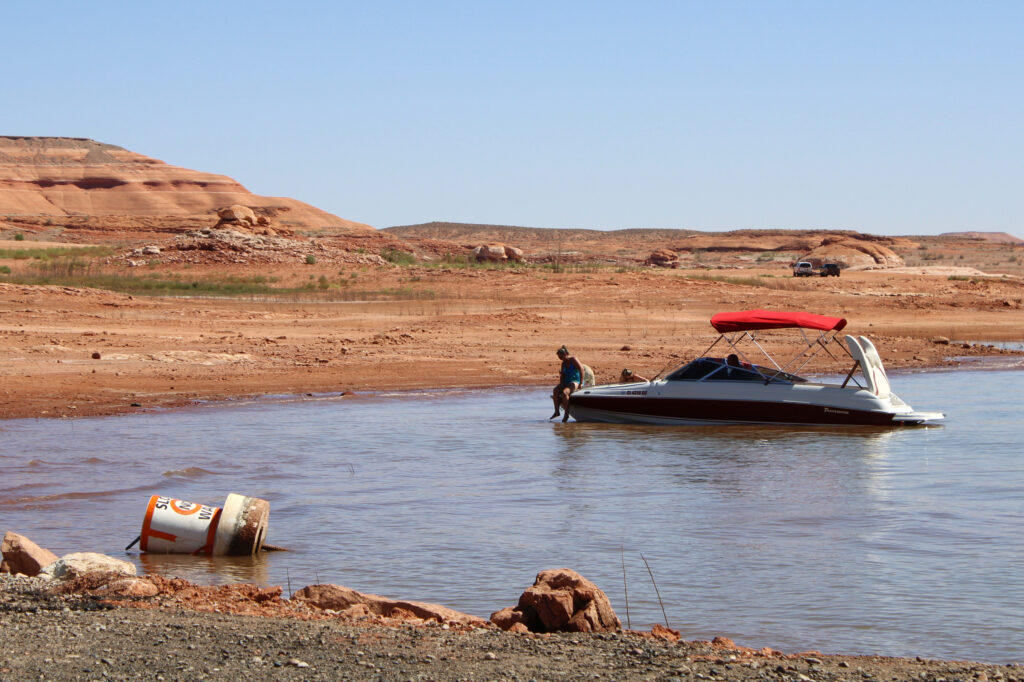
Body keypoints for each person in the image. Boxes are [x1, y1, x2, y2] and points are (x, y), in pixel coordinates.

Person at [551, 346, 584, 422]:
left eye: (561, 356)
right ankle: (557, 412)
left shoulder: (573, 359)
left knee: (565, 392)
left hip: (575, 381)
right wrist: (560, 385)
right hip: (566, 381)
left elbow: (581, 369)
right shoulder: (563, 364)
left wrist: (581, 383)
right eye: (559, 357)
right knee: (555, 390)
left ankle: (566, 415)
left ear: (565, 354)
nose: (560, 358)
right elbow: (563, 376)